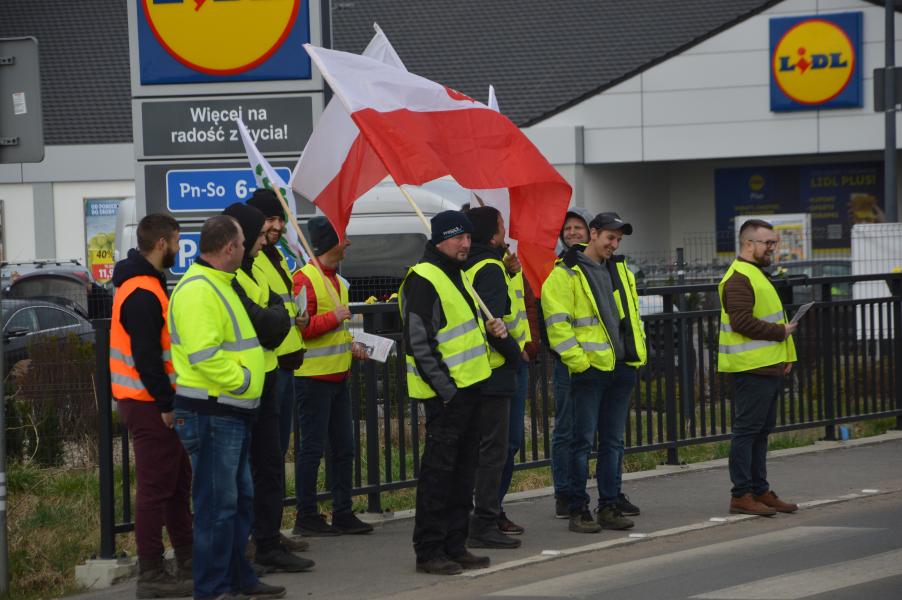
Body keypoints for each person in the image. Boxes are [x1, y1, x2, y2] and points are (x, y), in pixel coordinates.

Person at [169, 215, 284, 600]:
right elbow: (205, 355)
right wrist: (246, 381)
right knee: (218, 508)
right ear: (229, 248)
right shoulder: (199, 290)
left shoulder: (220, 283)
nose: (248, 247)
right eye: (242, 242)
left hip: (228, 411)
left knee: (236, 503)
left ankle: (237, 578)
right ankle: (214, 588)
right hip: (212, 412)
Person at [401, 210, 508, 575]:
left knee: (463, 473)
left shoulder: (455, 274)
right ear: (439, 240)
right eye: (457, 237)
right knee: (439, 476)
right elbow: (419, 341)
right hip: (448, 397)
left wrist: (490, 328)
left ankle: (454, 544)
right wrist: (448, 391)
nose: (465, 243)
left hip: (471, 389)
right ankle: (429, 550)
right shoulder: (425, 278)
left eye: (467, 237)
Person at [221, 203, 312, 574]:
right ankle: (252, 548)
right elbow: (268, 323)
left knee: (270, 467)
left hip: (268, 377)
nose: (260, 241)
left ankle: (268, 541)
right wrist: (277, 317)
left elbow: (275, 309)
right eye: (256, 235)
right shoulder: (235, 278)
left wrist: (277, 316)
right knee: (245, 478)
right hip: (244, 388)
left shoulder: (253, 271)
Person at [541, 212, 646, 533]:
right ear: (594, 234)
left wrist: (636, 354)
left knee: (613, 442)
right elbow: (557, 326)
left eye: (618, 240)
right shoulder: (565, 274)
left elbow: (630, 315)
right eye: (609, 238)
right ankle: (577, 508)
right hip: (589, 370)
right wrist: (579, 363)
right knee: (580, 442)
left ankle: (609, 504)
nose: (613, 244)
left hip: (621, 366)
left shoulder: (620, 270)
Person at [109, 213, 193, 599]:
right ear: (161, 243)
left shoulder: (144, 285)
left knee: (175, 484)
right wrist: (166, 402)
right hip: (149, 403)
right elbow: (146, 356)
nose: (179, 248)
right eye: (176, 241)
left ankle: (187, 559)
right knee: (157, 489)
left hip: (150, 401)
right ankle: (153, 573)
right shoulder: (142, 291)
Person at [291, 217, 373, 536]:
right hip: (312, 380)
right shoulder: (305, 279)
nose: (349, 243)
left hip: (338, 377)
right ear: (331, 244)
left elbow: (334, 330)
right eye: (344, 238)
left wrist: (353, 345)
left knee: (344, 448)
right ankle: (307, 515)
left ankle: (342, 512)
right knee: (311, 450)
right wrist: (332, 317)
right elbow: (301, 328)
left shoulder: (336, 279)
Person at [245, 190, 310, 556]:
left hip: (284, 362)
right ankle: (260, 534)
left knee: (275, 456)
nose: (277, 226)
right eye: (270, 220)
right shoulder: (254, 260)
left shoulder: (276, 256)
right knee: (264, 459)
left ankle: (270, 529)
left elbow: (281, 304)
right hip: (270, 366)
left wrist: (297, 318)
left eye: (279, 220)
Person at [719, 218, 799, 516]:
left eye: (773, 243)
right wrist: (780, 334)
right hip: (751, 368)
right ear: (749, 243)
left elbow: (769, 318)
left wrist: (784, 355)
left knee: (760, 431)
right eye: (768, 242)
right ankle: (741, 494)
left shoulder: (755, 273)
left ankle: (760, 489)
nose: (772, 248)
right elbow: (741, 321)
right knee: (747, 432)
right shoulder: (739, 276)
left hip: (768, 366)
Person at [462, 207, 523, 549]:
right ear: (492, 234)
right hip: (495, 371)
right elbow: (494, 324)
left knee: (482, 448)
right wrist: (515, 354)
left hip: (476, 371)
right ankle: (484, 520)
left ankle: (478, 517)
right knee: (494, 451)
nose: (505, 231)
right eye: (501, 226)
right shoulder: (489, 268)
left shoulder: (471, 265)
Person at [546, 207, 592, 518]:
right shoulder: (558, 267)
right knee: (566, 428)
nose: (574, 232)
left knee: (592, 431)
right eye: (569, 228)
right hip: (568, 361)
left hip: (599, 360)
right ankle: (564, 492)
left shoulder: (601, 265)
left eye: (579, 227)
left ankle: (595, 491)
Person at [496, 249, 540, 535]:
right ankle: (483, 510)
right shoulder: (481, 267)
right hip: (491, 367)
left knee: (511, 442)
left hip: (517, 363)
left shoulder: (512, 265)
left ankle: (493, 508)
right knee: (491, 445)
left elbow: (528, 307)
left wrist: (530, 346)